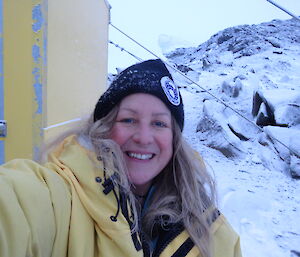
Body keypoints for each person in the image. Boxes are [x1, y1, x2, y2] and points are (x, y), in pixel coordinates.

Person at [0, 59, 242, 257]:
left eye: (159, 123)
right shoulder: (61, 197)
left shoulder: (215, 235)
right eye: (128, 119)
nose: (144, 137)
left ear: (174, 139)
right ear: (104, 127)